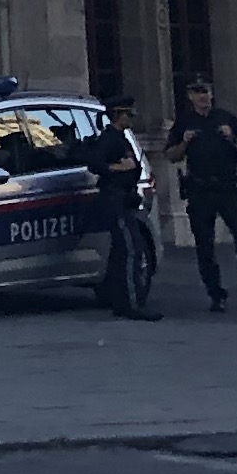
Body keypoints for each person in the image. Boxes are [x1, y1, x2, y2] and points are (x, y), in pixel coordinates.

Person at [160, 74, 237, 316]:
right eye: (198, 92)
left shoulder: (226, 118)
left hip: (228, 189)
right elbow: (170, 155)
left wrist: (233, 139)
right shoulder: (184, 122)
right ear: (190, 96)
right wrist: (184, 143)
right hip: (200, 190)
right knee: (205, 247)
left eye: (206, 92)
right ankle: (216, 295)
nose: (203, 97)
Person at [74, 101, 160, 320]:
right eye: (128, 114)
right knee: (131, 250)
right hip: (115, 201)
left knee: (121, 252)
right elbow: (95, 163)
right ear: (117, 115)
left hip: (124, 199)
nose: (132, 118)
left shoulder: (121, 138)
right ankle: (132, 304)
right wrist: (116, 167)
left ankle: (121, 301)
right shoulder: (109, 138)